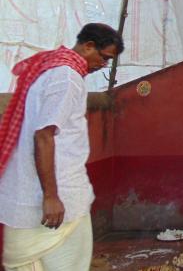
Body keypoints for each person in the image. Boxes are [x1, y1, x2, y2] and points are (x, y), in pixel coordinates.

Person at [0, 23, 124, 271]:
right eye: (104, 57)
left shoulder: (52, 69)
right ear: (88, 46)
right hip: (56, 197)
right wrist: (51, 197)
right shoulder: (66, 77)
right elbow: (44, 136)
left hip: (37, 193)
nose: (104, 65)